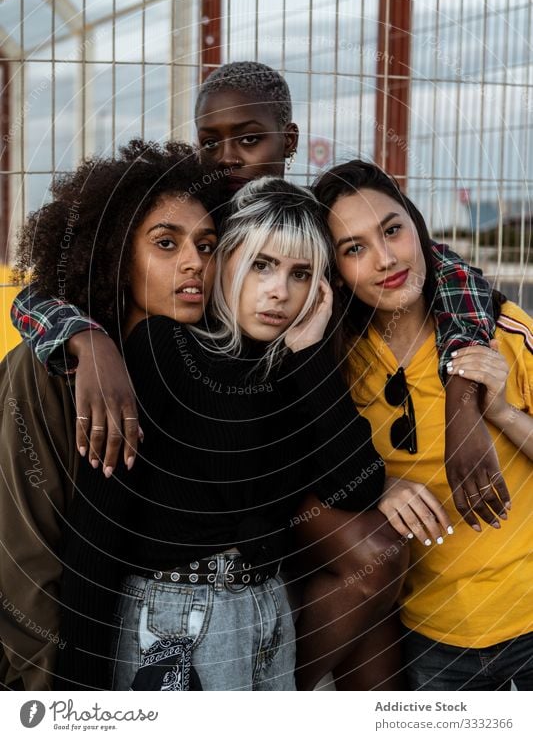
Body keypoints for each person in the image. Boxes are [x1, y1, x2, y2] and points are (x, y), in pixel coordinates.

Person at [9, 62, 504, 690]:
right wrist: (88, 338)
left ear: (288, 140)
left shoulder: (324, 222)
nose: (229, 158)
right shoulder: (186, 227)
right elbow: (43, 290)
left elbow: (447, 276)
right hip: (217, 506)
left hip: (268, 490)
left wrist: (463, 401)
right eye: (211, 141)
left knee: (375, 588)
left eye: (250, 139)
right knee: (365, 556)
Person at [51, 174, 386, 690]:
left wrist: (312, 353)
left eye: (301, 274)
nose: (279, 291)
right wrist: (80, 697)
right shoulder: (163, 348)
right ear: (226, 262)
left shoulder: (297, 370)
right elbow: (98, 528)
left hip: (267, 618)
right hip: (170, 623)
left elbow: (362, 485)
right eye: (262, 265)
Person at [0, 139, 223, 688]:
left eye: (208, 245)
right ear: (116, 255)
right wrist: (52, 702)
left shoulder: (205, 359)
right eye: (166, 244)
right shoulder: (47, 371)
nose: (195, 261)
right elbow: (25, 554)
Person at [313, 159, 533, 690]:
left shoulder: (504, 331)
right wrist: (378, 485)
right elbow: (308, 470)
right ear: (335, 269)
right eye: (354, 248)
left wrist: (501, 411)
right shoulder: (340, 362)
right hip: (432, 637)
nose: (386, 259)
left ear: (416, 225)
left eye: (392, 230)